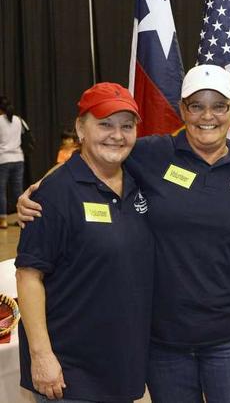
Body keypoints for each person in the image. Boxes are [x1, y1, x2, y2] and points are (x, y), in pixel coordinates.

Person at [18, 64, 230, 403]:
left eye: (218, 106)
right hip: (163, 343)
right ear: (183, 110)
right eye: (196, 105)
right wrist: (39, 188)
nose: (208, 116)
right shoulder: (150, 154)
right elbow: (88, 161)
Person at [15, 83, 155, 402]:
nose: (116, 135)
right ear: (81, 128)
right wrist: (41, 356)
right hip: (71, 374)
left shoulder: (139, 181)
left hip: (121, 366)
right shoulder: (54, 194)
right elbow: (28, 276)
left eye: (127, 126)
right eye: (105, 124)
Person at [0, 95, 25, 228]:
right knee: (18, 191)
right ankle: (22, 218)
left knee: (1, 191)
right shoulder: (18, 120)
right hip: (18, 158)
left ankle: (3, 220)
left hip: (3, 159)